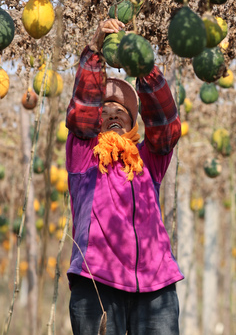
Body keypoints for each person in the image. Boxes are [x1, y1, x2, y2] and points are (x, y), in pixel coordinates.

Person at [66, 18, 183, 335]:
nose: (113, 114)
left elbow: (166, 126)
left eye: (122, 111)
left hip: (155, 285)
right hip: (96, 283)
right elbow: (82, 113)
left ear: (134, 121)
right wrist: (95, 54)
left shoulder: (148, 159)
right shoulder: (84, 157)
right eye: (106, 111)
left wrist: (144, 64)